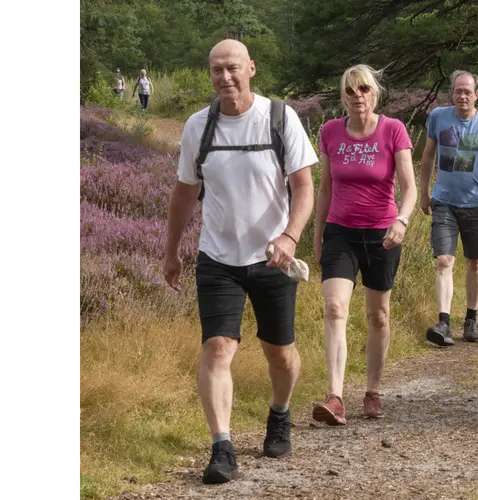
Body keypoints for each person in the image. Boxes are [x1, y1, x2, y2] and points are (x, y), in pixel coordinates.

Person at [163, 39, 317, 484]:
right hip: (217, 257)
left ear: (251, 68)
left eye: (233, 68)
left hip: (273, 257)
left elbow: (303, 186)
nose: (225, 78)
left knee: (280, 353)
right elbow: (185, 192)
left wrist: (290, 236)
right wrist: (171, 250)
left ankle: (280, 413)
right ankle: (222, 448)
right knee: (217, 347)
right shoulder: (198, 126)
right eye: (216, 70)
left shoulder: (279, 118)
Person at [312, 64, 417, 425]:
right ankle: (335, 396)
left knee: (377, 315)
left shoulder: (393, 130)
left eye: (364, 89)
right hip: (340, 232)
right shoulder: (329, 132)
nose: (358, 96)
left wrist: (401, 222)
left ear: (375, 93)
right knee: (335, 308)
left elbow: (410, 188)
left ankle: (372, 391)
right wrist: (317, 235)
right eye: (351, 91)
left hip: (382, 234)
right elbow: (324, 188)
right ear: (343, 96)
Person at [419, 70, 478, 346]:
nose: (462, 96)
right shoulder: (438, 117)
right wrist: (423, 192)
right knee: (444, 260)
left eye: (467, 92)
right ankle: (444, 322)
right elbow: (427, 156)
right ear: (452, 93)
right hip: (444, 200)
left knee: (476, 262)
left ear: (476, 95)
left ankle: (470, 319)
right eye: (458, 91)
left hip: (477, 202)